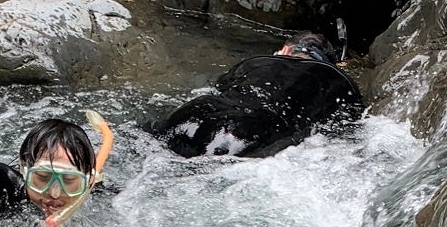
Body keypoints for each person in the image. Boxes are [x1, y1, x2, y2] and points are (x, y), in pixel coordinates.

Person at [150, 33, 365, 159]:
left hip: (194, 114)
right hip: (254, 137)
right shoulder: (336, 88)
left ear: (285, 51)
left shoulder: (254, 65)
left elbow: (222, 85)